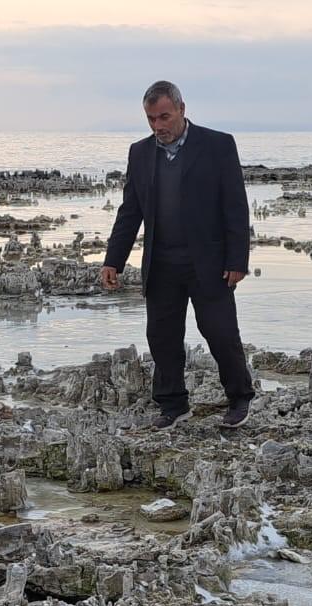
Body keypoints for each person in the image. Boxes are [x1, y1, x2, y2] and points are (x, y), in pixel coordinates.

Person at [101, 80, 254, 429]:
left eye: (164, 117)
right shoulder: (140, 153)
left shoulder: (217, 145)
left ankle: (240, 398)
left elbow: (235, 206)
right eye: (152, 119)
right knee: (162, 336)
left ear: (182, 110)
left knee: (220, 332)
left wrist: (237, 260)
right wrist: (114, 259)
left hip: (210, 263)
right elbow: (130, 211)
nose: (159, 126)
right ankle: (173, 405)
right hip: (162, 262)